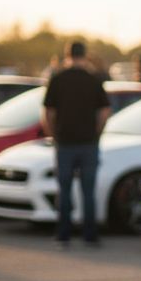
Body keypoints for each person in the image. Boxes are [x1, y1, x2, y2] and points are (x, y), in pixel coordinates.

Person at [41, 41, 110, 247]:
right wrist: (96, 132)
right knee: (88, 191)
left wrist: (54, 135)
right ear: (85, 55)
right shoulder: (94, 79)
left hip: (65, 143)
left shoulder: (58, 79)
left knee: (64, 190)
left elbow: (48, 113)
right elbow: (105, 111)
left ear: (67, 54)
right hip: (89, 143)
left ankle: (64, 233)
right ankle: (90, 234)